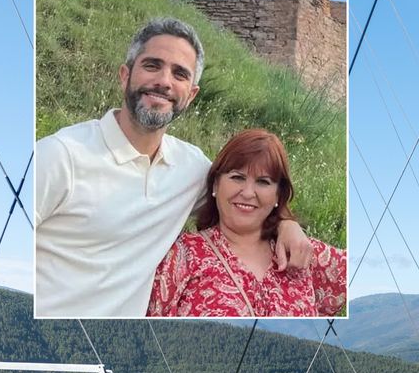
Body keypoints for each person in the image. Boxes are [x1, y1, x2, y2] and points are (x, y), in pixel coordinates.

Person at [34, 17, 313, 318]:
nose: (165, 82)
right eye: (152, 65)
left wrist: (286, 222)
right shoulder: (60, 156)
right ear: (125, 75)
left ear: (191, 95)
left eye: (180, 74)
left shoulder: (191, 168)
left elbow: (242, 198)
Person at [147, 130, 346, 317]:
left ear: (278, 194)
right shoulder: (182, 256)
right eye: (237, 177)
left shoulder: (300, 251)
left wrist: (287, 224)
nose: (248, 192)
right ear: (216, 184)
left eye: (263, 182)